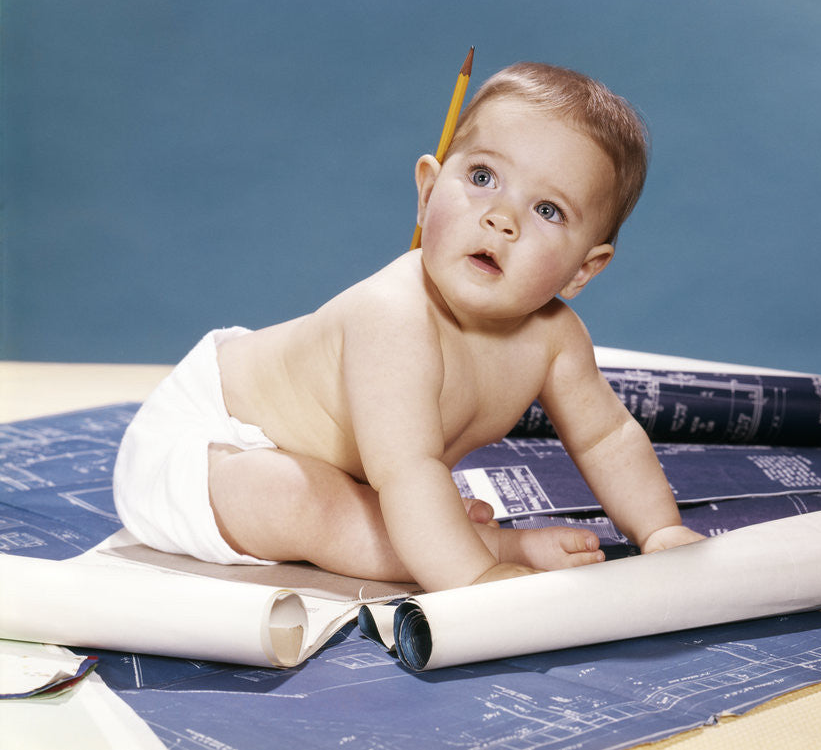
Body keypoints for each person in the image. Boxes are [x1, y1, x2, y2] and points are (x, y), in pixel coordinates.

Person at [113, 62, 704, 593]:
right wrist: (478, 578)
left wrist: (659, 530)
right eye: (482, 177)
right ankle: (489, 548)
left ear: (583, 269)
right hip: (207, 442)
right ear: (427, 192)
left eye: (547, 211)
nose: (501, 218)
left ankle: (466, 544)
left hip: (360, 475)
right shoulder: (394, 315)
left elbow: (608, 439)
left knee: (389, 503)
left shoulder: (555, 338)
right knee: (301, 500)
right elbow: (406, 472)